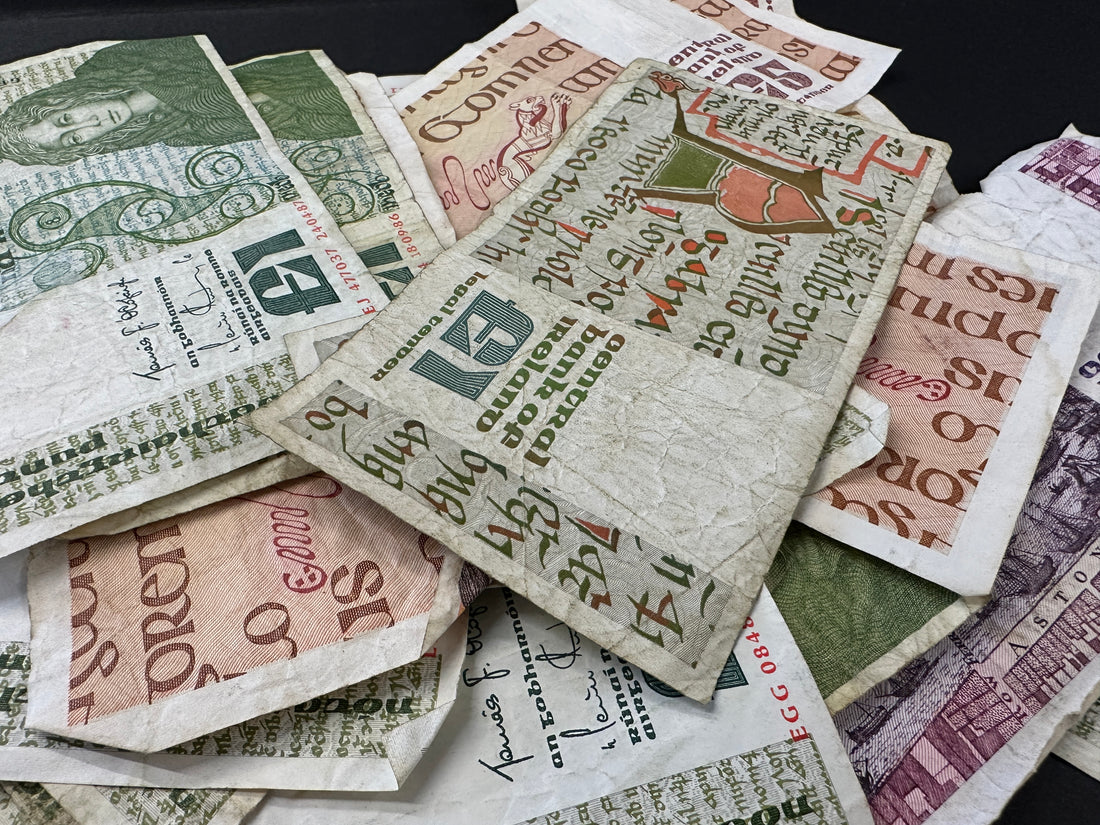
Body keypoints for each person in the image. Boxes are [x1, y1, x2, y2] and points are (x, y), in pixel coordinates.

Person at [0, 36, 258, 166]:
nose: (91, 123)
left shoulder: (112, 62)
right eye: (74, 138)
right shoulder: (180, 135)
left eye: (66, 118)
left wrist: (147, 95)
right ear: (85, 147)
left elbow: (202, 44)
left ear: (61, 100)